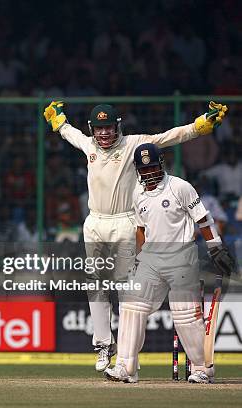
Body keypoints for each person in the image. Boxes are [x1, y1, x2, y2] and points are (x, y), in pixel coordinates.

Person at [43, 100, 228, 372]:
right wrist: (60, 124)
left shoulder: (133, 144)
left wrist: (198, 127)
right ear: (93, 130)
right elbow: (73, 135)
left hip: (125, 221)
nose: (104, 134)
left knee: (126, 288)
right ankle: (104, 344)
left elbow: (168, 137)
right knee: (94, 284)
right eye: (99, 129)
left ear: (118, 126)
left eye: (108, 128)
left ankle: (129, 362)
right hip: (94, 221)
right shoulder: (90, 146)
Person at [105, 143, 236, 383]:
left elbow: (203, 220)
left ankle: (201, 369)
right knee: (131, 306)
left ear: (161, 164)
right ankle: (126, 366)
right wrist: (139, 257)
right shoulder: (138, 193)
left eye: (153, 168)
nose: (149, 173)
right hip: (151, 258)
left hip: (181, 256)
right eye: (144, 170)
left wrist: (216, 248)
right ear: (137, 170)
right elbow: (141, 229)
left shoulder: (180, 187)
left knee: (185, 315)